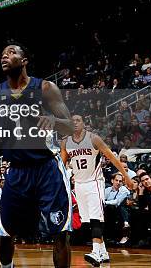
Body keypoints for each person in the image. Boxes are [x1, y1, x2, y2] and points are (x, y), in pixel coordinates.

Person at [0, 43, 74, 268]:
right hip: (17, 171)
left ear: (24, 60)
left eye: (11, 53)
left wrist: (54, 121)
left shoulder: (46, 88)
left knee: (60, 232)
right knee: (5, 231)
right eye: (2, 54)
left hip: (47, 168)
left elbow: (71, 127)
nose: (5, 56)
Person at [61, 114, 133, 266]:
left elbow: (113, 158)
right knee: (88, 221)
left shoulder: (93, 138)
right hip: (79, 184)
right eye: (72, 121)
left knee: (95, 218)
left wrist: (126, 176)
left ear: (84, 124)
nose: (74, 123)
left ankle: (95, 252)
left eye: (78, 120)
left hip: (94, 182)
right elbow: (62, 164)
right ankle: (103, 252)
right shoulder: (66, 142)